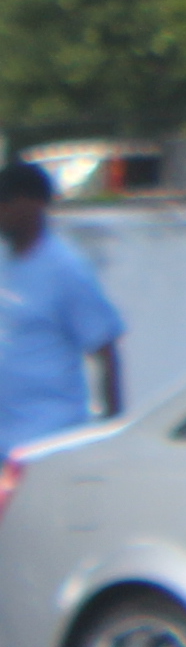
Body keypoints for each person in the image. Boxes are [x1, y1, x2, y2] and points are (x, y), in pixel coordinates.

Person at [0, 165, 127, 456]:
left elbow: (105, 350)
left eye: (5, 201)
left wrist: (110, 439)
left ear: (34, 204)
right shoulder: (5, 263)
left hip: (46, 443)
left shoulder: (65, 269)